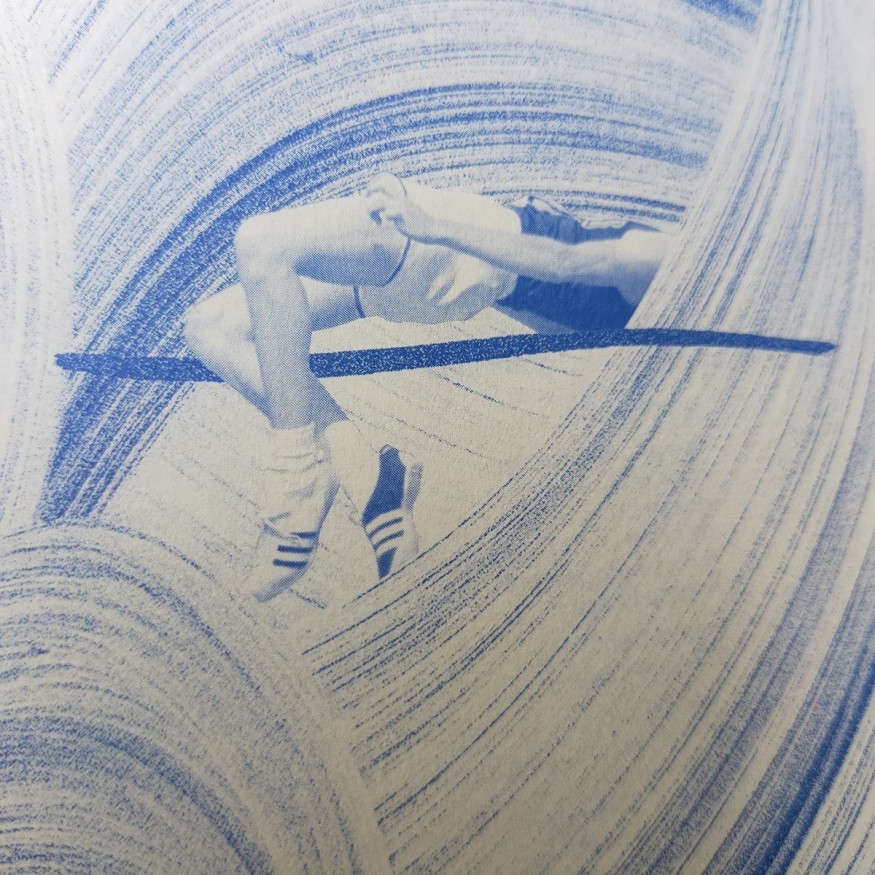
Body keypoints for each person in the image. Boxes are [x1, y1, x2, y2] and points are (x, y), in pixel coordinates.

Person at [183, 172, 669, 600]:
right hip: (444, 278)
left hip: (445, 252)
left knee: (263, 242)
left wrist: (436, 226)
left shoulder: (663, 260)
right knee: (213, 329)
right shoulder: (660, 316)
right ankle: (368, 477)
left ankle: (296, 476)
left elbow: (562, 262)